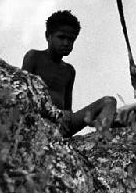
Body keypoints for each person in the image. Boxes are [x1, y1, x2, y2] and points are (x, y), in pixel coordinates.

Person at [22, 10, 117, 138]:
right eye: (61, 37)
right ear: (47, 36)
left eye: (71, 39)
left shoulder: (69, 71)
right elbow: (23, 96)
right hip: (40, 118)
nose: (66, 43)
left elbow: (68, 107)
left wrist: (69, 120)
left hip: (65, 121)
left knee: (109, 101)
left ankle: (101, 136)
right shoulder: (34, 57)